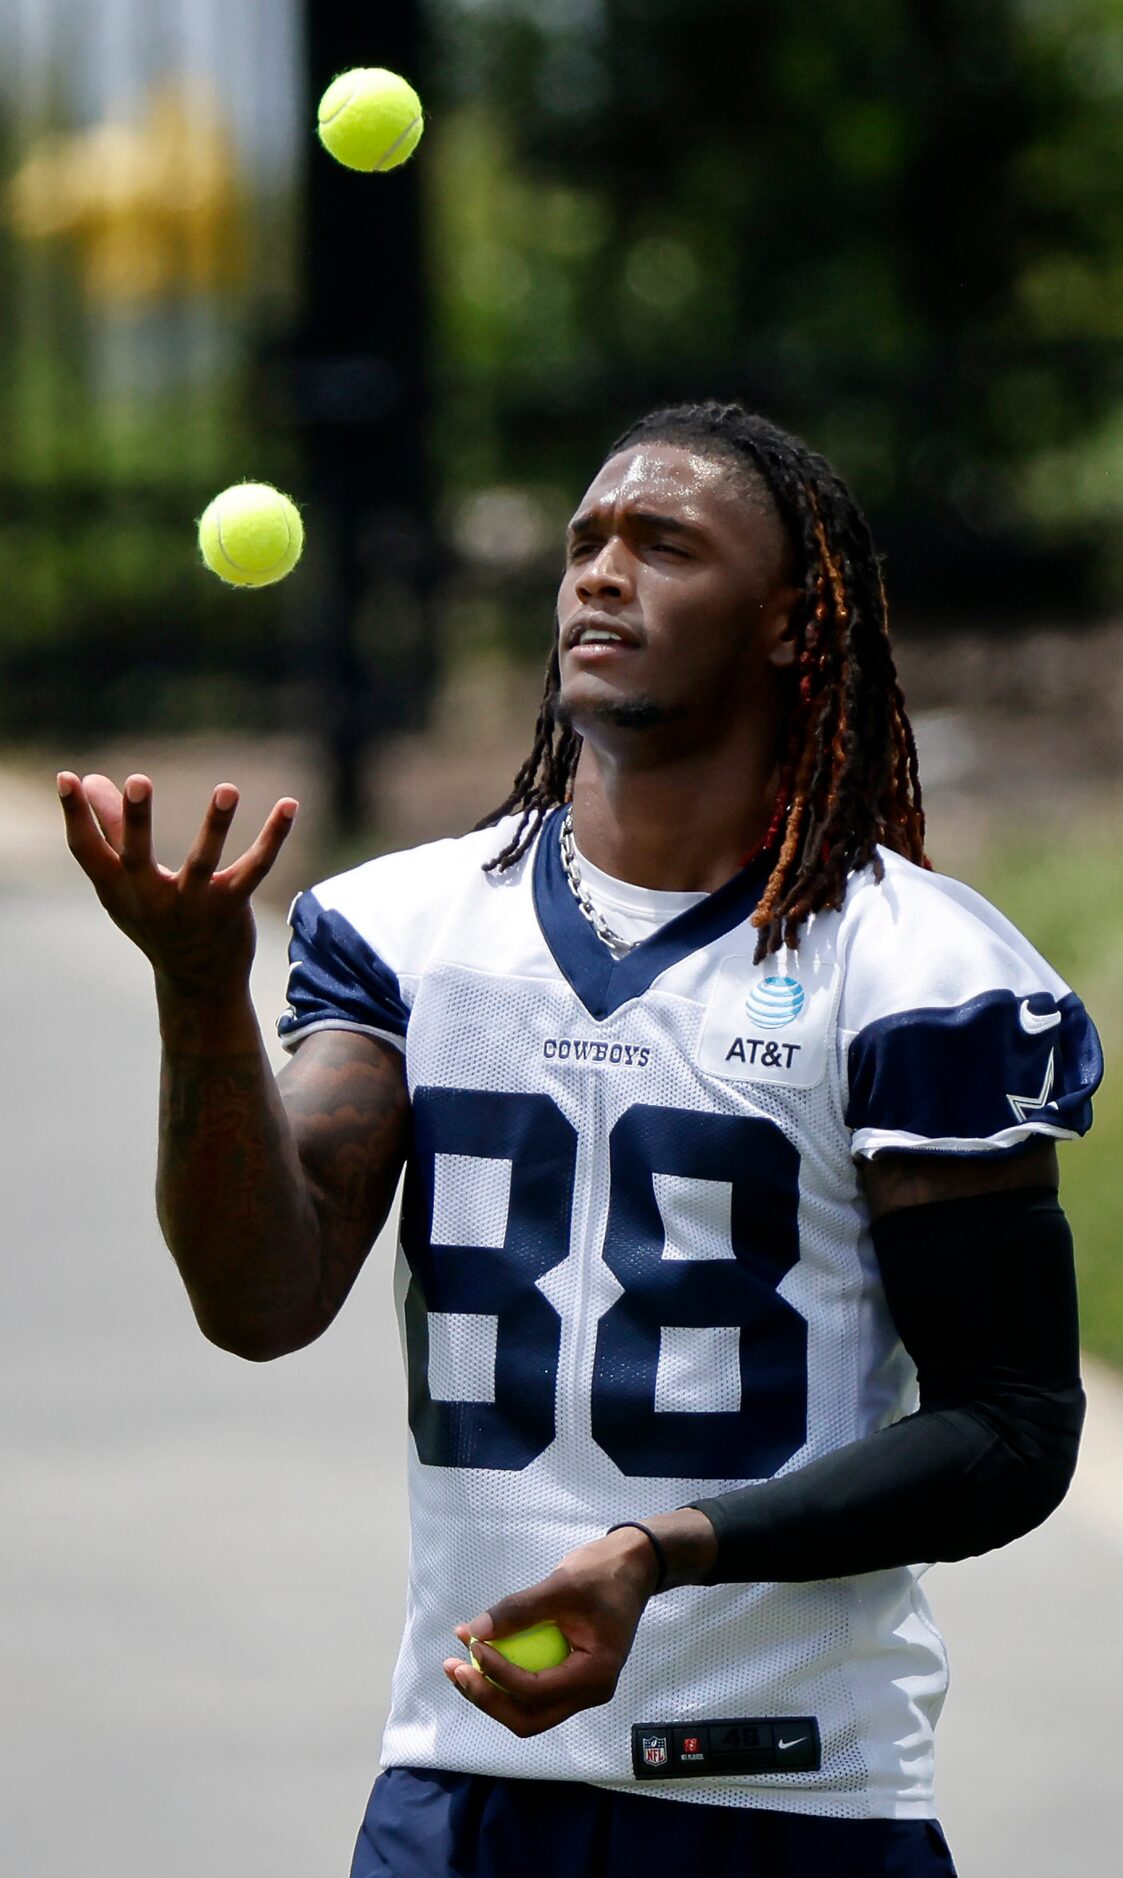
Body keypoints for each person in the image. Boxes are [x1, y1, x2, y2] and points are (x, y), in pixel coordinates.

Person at [57, 401, 1103, 1878]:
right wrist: (197, 993)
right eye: (585, 543)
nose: (601, 574)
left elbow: (1012, 1426)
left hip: (788, 1795)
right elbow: (261, 1301)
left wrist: (659, 1552)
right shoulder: (407, 930)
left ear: (796, 625)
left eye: (662, 544)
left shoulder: (919, 974)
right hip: (457, 1788)